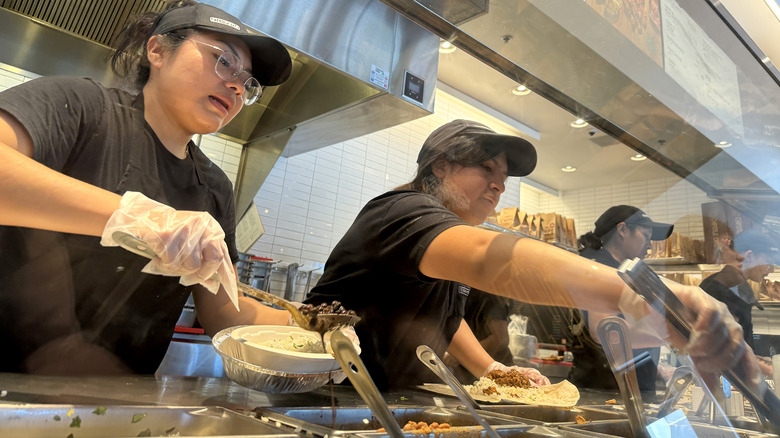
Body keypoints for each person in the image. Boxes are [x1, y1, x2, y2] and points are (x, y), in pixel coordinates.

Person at [305, 119, 758, 391]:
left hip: (378, 396)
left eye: (503, 176)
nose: (500, 184)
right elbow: (489, 257)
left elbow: (445, 315)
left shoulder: (436, 239)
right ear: (440, 167)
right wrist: (646, 296)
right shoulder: (402, 211)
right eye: (486, 168)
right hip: (322, 395)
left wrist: (493, 370)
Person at [0, 1, 296, 374]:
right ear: (157, 50)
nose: (237, 85)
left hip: (120, 406)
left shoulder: (214, 188)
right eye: (224, 60)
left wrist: (308, 329)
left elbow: (220, 309)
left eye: (248, 82)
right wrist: (139, 218)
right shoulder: (81, 108)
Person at [569, 205, 673, 402]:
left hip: (625, 391)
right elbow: (606, 329)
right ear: (623, 230)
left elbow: (632, 332)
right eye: (646, 235)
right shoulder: (601, 269)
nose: (650, 245)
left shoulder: (624, 273)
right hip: (605, 393)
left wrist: (652, 365)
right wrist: (674, 337)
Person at [446, 289, 514, 383]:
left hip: (496, 371)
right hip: (470, 371)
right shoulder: (458, 291)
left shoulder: (489, 294)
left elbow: (501, 339)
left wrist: (460, 355)